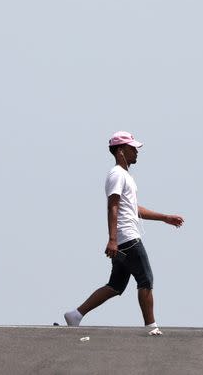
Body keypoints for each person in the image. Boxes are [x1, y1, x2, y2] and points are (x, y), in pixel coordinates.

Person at [63, 131, 184, 336]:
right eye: (132, 148)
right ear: (121, 151)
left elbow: (134, 208)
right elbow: (113, 206)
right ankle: (151, 326)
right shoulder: (117, 174)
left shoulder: (126, 176)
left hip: (123, 238)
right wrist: (112, 240)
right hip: (127, 238)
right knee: (145, 279)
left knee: (116, 286)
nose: (136, 151)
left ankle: (75, 314)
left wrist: (165, 217)